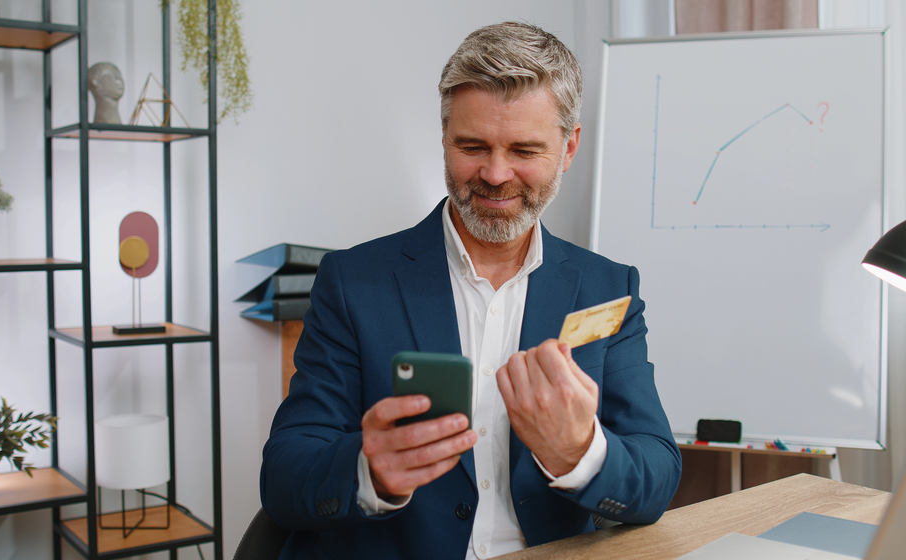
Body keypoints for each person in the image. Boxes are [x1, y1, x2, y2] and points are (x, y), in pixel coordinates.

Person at [260, 22, 682, 560]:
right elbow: (285, 476)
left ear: (569, 147)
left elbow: (657, 472)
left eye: (525, 149)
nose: (496, 173)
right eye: (472, 146)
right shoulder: (352, 282)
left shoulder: (608, 288)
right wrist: (369, 469)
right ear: (444, 137)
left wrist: (582, 452)